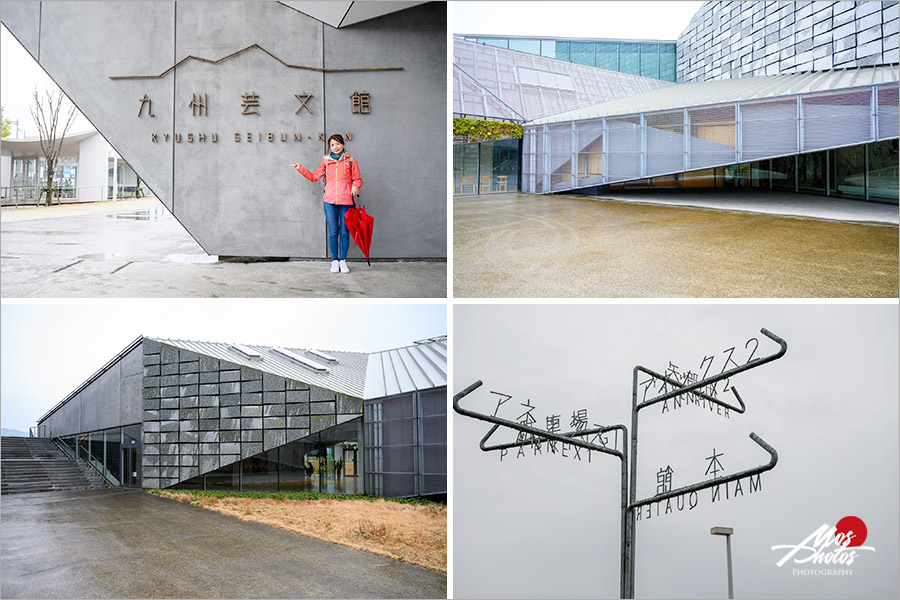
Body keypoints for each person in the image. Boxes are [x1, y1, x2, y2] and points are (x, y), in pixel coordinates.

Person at [290, 134, 362, 273]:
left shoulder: (351, 161)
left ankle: (343, 261)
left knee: (345, 232)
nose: (335, 147)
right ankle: (334, 261)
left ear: (343, 145)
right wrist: (299, 167)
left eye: (338, 144)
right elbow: (314, 177)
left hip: (347, 202)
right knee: (333, 232)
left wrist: (355, 187)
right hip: (329, 202)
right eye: (332, 145)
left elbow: (358, 179)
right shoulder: (326, 161)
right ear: (330, 147)